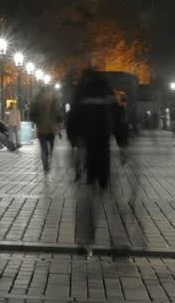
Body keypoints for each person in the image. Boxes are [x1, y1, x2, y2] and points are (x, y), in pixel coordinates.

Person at [66, 71, 127, 253]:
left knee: (86, 194)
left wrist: (74, 144)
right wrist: (123, 145)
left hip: (86, 147)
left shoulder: (81, 92)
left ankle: (85, 239)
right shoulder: (106, 91)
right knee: (109, 193)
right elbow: (118, 118)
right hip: (103, 148)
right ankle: (118, 239)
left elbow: (72, 119)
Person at [30, 84, 62, 174]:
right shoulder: (53, 98)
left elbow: (32, 115)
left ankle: (45, 165)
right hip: (51, 127)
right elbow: (58, 112)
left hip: (41, 128)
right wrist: (58, 123)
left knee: (43, 148)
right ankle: (49, 158)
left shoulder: (37, 99)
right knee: (51, 145)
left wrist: (37, 120)